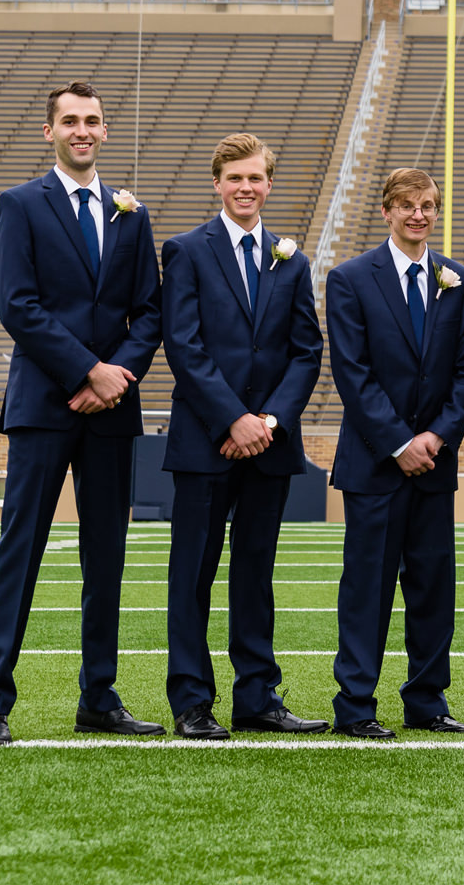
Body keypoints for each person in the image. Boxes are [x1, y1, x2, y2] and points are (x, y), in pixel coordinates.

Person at [0, 81, 164, 744]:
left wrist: (114, 379)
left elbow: (150, 312)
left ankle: (100, 696)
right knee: (19, 550)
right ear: (49, 131)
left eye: (93, 120)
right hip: (43, 404)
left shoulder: (131, 213)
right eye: (71, 120)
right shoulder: (22, 204)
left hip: (111, 411)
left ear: (105, 132)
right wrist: (88, 370)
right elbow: (17, 303)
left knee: (105, 555)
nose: (83, 130)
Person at [159, 134, 328, 739]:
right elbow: (184, 344)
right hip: (207, 439)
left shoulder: (292, 259)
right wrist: (233, 419)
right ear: (217, 183)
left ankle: (257, 697)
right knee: (193, 573)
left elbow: (306, 352)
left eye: (256, 178)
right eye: (235, 178)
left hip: (270, 442)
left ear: (269, 184)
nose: (246, 188)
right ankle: (192, 703)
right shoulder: (185, 250)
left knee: (256, 572)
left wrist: (269, 423)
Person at [325, 169, 464, 739]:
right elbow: (353, 373)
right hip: (375, 464)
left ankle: (427, 701)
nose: (419, 214)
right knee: (367, 587)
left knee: (433, 587)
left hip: (435, 463)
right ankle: (356, 706)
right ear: (386, 210)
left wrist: (436, 438)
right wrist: (398, 442)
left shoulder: (457, 279)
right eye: (408, 205)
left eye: (428, 206)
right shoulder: (349, 279)